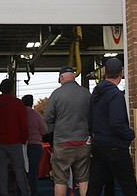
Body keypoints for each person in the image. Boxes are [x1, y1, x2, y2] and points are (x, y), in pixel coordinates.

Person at [86, 57, 137, 196]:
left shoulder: (96, 93)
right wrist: (130, 134)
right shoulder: (115, 94)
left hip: (98, 145)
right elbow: (117, 123)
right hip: (115, 147)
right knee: (129, 186)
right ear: (121, 73)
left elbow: (90, 120)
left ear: (105, 72)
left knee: (95, 186)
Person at [44, 66, 92, 196]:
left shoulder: (57, 94)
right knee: (83, 179)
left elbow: (47, 117)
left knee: (60, 180)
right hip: (83, 143)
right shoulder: (86, 93)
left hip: (62, 143)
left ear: (61, 78)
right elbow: (93, 116)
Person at [0, 79, 30, 196]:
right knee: (19, 170)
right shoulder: (17, 103)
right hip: (15, 140)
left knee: (1, 171)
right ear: (12, 89)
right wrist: (23, 139)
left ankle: (4, 193)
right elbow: (23, 123)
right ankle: (24, 193)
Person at [23, 95, 48, 196]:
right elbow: (44, 130)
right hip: (36, 144)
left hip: (23, 144)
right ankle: (33, 191)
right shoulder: (36, 115)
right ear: (32, 103)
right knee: (33, 170)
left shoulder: (20, 114)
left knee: (22, 170)